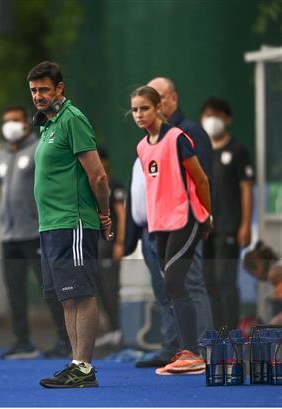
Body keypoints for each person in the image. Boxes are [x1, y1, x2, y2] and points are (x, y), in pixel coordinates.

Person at [27, 61, 112, 388]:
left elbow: (98, 174)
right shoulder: (48, 125)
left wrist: (104, 214)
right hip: (51, 225)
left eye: (44, 89)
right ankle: (76, 363)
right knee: (67, 296)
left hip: (74, 221)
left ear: (60, 89)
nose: (38, 96)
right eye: (34, 90)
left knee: (82, 292)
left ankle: (85, 367)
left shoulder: (72, 119)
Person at [133, 77, 214, 368]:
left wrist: (206, 214)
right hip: (160, 226)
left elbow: (201, 179)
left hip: (186, 219)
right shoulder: (142, 147)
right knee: (170, 287)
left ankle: (194, 352)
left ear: (159, 108)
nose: (140, 114)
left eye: (145, 108)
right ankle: (184, 351)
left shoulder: (177, 138)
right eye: (135, 110)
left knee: (176, 282)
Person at [0, 105, 70, 360]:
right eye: (6, 121)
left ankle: (65, 339)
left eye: (15, 120)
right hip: (9, 235)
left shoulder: (38, 148)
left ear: (27, 123)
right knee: (14, 290)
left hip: (36, 232)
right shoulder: (2, 154)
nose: (10, 125)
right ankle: (22, 341)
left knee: (48, 288)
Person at [200, 98, 254, 330]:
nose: (212, 120)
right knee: (208, 282)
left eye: (217, 115)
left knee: (225, 281)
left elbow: (246, 188)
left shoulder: (237, 151)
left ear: (227, 119)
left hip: (229, 226)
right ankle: (216, 332)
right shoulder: (199, 151)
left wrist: (245, 224)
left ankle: (231, 333)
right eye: (207, 114)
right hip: (205, 227)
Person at [93, 148, 126, 348]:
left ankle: (119, 330)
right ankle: (112, 329)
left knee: (110, 288)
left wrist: (120, 243)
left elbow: (122, 215)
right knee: (100, 290)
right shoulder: (90, 185)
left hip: (110, 243)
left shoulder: (115, 185)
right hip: (94, 244)